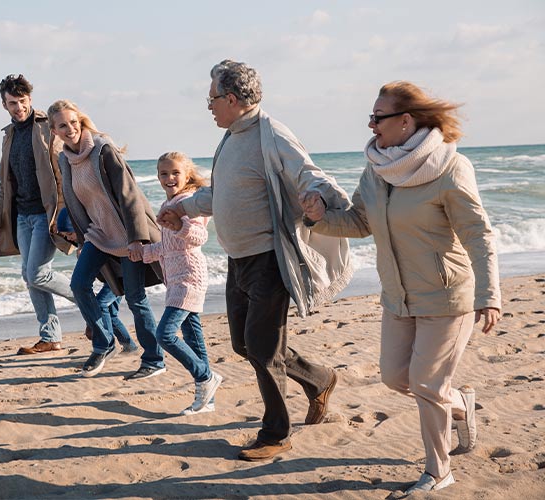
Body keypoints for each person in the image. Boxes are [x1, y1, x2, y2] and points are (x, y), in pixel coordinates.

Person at [300, 81, 501, 493]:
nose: (371, 125)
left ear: (405, 121)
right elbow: (359, 223)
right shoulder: (376, 169)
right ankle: (462, 404)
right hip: (397, 297)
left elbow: (479, 235)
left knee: (427, 384)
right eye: (371, 117)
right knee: (396, 378)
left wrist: (489, 295)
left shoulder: (449, 167)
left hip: (447, 296)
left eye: (378, 117)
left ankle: (438, 471)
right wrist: (318, 217)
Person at [158, 60, 352, 461]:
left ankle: (276, 434)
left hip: (268, 258)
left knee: (263, 350)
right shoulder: (230, 138)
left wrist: (318, 197)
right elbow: (222, 194)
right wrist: (185, 208)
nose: (208, 106)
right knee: (245, 344)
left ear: (231, 98)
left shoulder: (271, 133)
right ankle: (319, 379)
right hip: (238, 259)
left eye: (211, 98)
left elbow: (308, 173)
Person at [47, 99, 165, 379]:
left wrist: (137, 238)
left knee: (136, 298)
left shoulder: (103, 150)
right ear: (54, 130)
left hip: (127, 234)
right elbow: (76, 202)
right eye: (63, 125)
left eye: (74, 122)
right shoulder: (65, 159)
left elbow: (130, 195)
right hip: (98, 235)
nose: (70, 128)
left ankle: (154, 359)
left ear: (81, 122)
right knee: (79, 284)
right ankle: (104, 343)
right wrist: (80, 241)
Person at [0, 74, 75, 356]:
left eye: (22, 102)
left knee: (36, 273)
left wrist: (65, 214)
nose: (18, 108)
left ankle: (90, 301)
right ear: (4, 105)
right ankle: (50, 337)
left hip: (46, 214)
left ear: (30, 100)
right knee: (30, 275)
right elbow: (5, 185)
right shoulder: (9, 136)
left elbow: (64, 173)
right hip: (21, 216)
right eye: (13, 103)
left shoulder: (46, 127)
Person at [130, 152, 221, 415]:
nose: (169, 178)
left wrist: (180, 223)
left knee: (165, 334)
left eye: (175, 173)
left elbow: (199, 237)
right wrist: (142, 253)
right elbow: (169, 247)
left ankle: (206, 376)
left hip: (189, 277)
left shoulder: (190, 203)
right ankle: (207, 400)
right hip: (175, 279)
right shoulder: (169, 203)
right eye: (163, 174)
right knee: (193, 338)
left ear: (187, 174)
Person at [56, 208, 139, 354]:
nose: (68, 239)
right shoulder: (84, 244)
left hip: (123, 274)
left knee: (101, 305)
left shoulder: (97, 238)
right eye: (65, 236)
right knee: (110, 313)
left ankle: (108, 345)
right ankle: (129, 346)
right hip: (112, 279)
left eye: (69, 234)